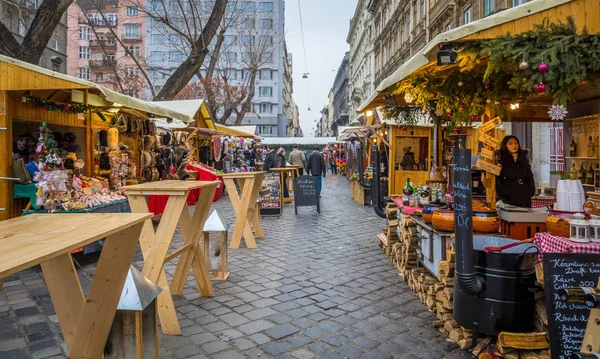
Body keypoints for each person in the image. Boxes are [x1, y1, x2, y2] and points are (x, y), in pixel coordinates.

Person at [495, 135, 535, 208]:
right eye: (510, 143)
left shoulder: (523, 157)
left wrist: (530, 191)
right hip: (508, 198)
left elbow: (529, 176)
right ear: (505, 145)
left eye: (516, 143)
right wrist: (503, 193)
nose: (514, 145)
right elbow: (497, 179)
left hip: (524, 198)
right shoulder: (500, 159)